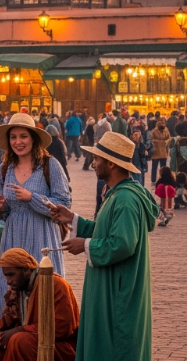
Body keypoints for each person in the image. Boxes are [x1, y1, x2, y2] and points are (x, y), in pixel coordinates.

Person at [49, 132, 158, 361]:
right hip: (109, 286)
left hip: (118, 292)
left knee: (114, 347)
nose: (93, 163)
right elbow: (105, 229)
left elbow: (122, 244)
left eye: (97, 158)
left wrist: (85, 245)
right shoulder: (116, 194)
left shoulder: (126, 199)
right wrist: (73, 219)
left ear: (111, 162)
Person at [0, 112, 71, 334]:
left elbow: (64, 204)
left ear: (33, 138)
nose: (18, 142)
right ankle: (10, 343)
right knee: (12, 291)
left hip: (42, 235)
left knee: (42, 290)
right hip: (13, 237)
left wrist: (31, 197)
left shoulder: (49, 165)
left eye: (23, 136)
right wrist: (0, 206)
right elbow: (3, 215)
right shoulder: (4, 169)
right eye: (13, 137)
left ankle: (42, 345)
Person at [0, 248, 79, 361]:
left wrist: (22, 329)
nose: (8, 281)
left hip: (59, 346)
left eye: (11, 275)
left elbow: (62, 328)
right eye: (6, 276)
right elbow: (10, 324)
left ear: (26, 270)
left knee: (19, 341)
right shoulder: (19, 290)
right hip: (34, 341)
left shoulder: (55, 284)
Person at [150, 117, 170, 184]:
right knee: (154, 167)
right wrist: (160, 142)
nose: (162, 123)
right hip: (156, 152)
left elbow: (169, 138)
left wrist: (166, 141)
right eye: (161, 122)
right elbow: (152, 140)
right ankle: (153, 181)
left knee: (163, 168)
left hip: (164, 152)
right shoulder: (154, 131)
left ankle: (163, 180)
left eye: (163, 122)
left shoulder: (166, 130)